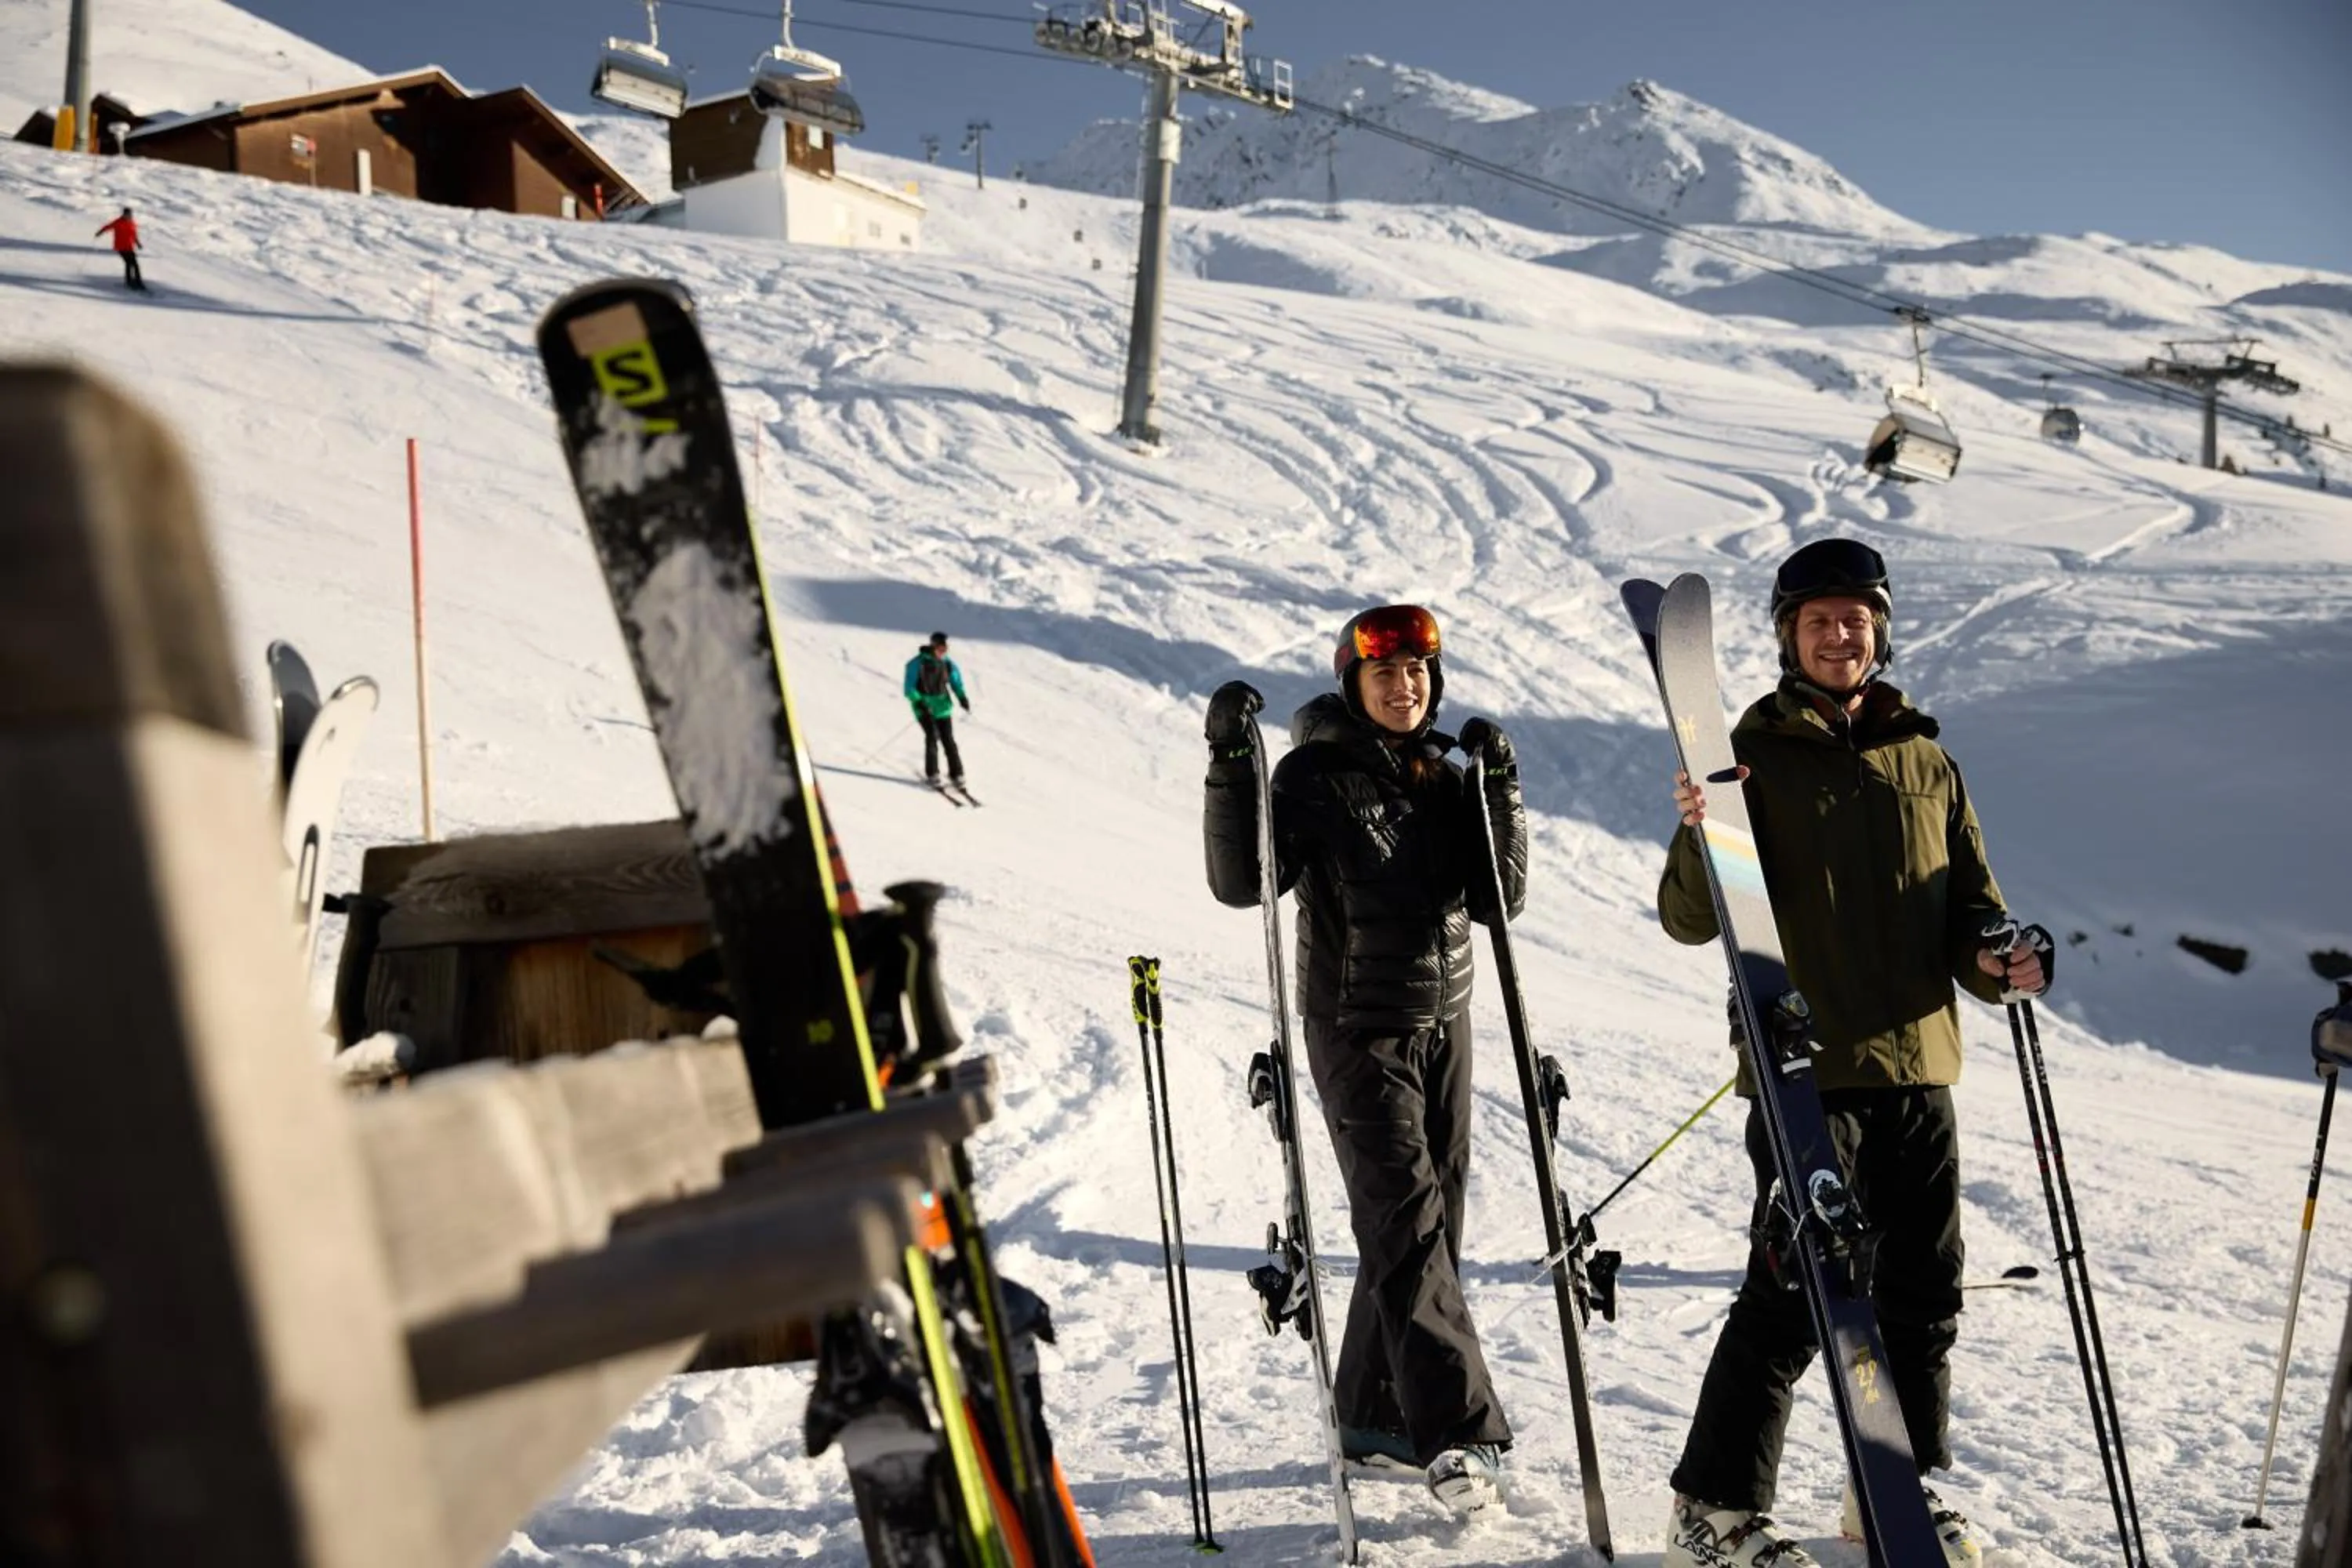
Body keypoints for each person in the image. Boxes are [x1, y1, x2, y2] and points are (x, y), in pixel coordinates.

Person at [1655, 539, 2049, 1568]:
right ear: (1790, 636)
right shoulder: (1752, 752)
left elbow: (1972, 906)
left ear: (1879, 629)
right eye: (1820, 620)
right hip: (1804, 1073)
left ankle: (1892, 1489)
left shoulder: (1925, 757)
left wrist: (2000, 957)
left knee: (1924, 1289)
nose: (1841, 635)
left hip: (1919, 1067)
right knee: (1795, 1287)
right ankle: (1714, 1505)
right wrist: (1699, 830)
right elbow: (1690, 920)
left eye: (1856, 618)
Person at [1202, 604, 1523, 1515]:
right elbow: (1243, 883)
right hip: (1355, 1024)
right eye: (1384, 673)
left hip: (1444, 1021)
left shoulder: (1447, 775)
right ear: (1352, 683)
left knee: (1433, 1226)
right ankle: (1459, 1433)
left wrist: (1500, 784)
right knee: (1407, 1221)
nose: (1404, 686)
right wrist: (1232, 766)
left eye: (1419, 671)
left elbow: (1505, 899)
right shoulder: (1312, 775)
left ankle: (1374, 1416)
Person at [902, 630, 970, 787]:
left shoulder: (947, 663)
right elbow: (909, 687)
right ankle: (933, 773)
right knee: (932, 737)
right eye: (940, 649)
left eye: (945, 650)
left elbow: (956, 682)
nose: (942, 653)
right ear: (933, 647)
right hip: (924, 707)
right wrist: (919, 702)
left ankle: (957, 773)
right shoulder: (916, 664)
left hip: (943, 706)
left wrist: (962, 697)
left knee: (948, 740)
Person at [95, 207, 144, 292]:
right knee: (129, 263)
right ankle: (129, 281)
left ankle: (138, 282)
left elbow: (134, 234)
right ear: (124, 214)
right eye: (127, 214)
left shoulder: (132, 223)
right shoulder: (118, 222)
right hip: (121, 247)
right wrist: (100, 232)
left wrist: (138, 243)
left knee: (135, 264)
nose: (129, 216)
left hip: (129, 247)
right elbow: (108, 227)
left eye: (130, 214)